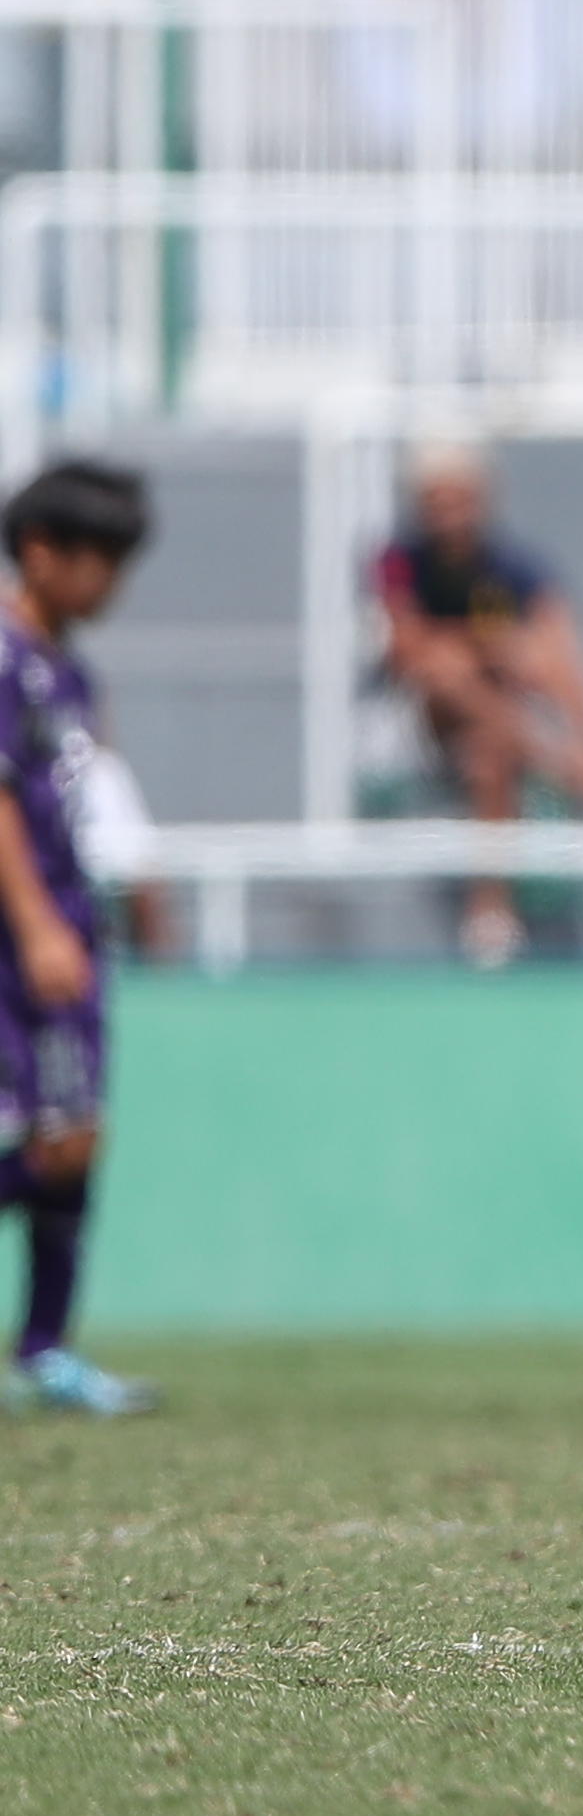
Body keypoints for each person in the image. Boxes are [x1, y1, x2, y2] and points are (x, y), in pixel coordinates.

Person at [2, 459, 159, 1417]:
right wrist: (34, 927)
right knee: (50, 1141)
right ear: (39, 550)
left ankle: (47, 1349)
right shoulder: (5, 659)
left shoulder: (71, 672)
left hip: (71, 919)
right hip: (22, 931)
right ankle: (45, 1347)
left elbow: (88, 796)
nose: (110, 582)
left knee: (76, 1140)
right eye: (96, 558)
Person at [372, 438, 583, 966]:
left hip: (502, 728)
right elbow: (408, 651)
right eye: (437, 502)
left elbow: (562, 657)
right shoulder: (400, 561)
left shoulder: (515, 567)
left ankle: (491, 908)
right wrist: (484, 644)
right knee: (446, 666)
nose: (449, 516)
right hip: (429, 724)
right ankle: (568, 769)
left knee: (490, 752)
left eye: (460, 500)